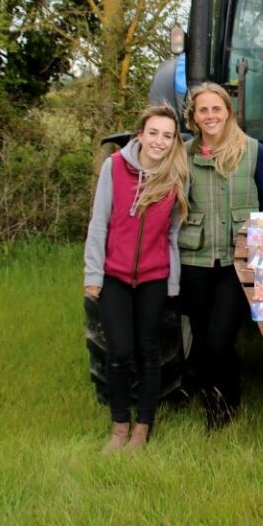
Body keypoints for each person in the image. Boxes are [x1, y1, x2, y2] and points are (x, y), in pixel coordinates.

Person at [84, 104, 188, 453]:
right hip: (114, 276)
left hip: (153, 278)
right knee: (119, 352)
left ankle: (142, 429)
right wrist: (93, 275)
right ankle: (118, 428)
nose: (160, 141)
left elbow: (172, 234)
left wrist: (171, 283)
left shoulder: (175, 176)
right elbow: (99, 224)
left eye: (168, 136)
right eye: (154, 133)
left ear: (174, 141)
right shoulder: (114, 168)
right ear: (140, 134)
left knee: (149, 352)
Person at [179, 82, 263, 429]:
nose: (210, 115)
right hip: (197, 260)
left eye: (216, 108)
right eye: (203, 110)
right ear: (194, 116)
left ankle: (228, 400)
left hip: (238, 262)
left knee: (221, 339)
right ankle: (212, 404)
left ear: (228, 111)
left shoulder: (254, 151)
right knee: (202, 340)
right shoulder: (184, 155)